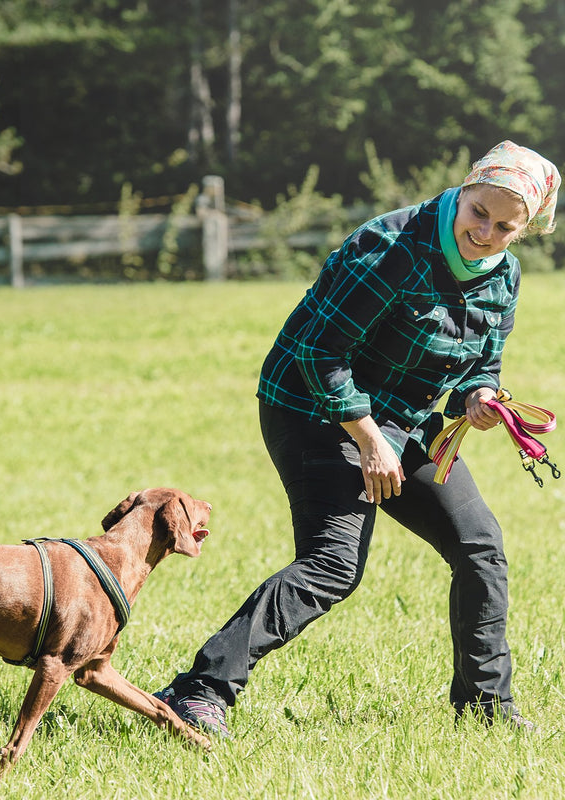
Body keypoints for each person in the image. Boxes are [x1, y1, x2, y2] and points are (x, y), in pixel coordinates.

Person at [156, 141, 561, 737]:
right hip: (311, 408)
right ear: (466, 189)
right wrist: (370, 439)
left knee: (481, 548)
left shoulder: (504, 276)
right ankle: (197, 691)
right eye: (479, 212)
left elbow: (481, 365)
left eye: (506, 226)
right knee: (333, 565)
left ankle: (486, 709)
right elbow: (322, 353)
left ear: (526, 228)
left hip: (403, 421)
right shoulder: (391, 247)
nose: (486, 232)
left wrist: (479, 398)